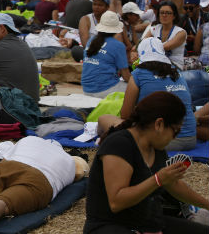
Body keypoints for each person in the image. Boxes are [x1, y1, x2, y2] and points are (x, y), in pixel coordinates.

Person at [84, 92, 209, 234]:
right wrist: (157, 180)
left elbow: (173, 185)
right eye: (175, 131)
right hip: (109, 225)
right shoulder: (119, 144)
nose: (174, 138)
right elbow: (116, 202)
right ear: (159, 124)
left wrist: (206, 204)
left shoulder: (156, 147)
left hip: (147, 223)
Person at [98, 37, 197, 151]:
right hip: (190, 140)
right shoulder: (178, 73)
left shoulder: (138, 74)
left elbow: (125, 115)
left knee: (104, 119)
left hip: (161, 141)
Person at [81, 11, 130, 98]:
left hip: (86, 89)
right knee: (135, 88)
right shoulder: (118, 45)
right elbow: (126, 76)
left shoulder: (91, 40)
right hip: (104, 90)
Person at [144, 0, 186, 70]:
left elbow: (162, 48)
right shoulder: (154, 29)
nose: (164, 15)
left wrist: (146, 48)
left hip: (174, 66)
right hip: (156, 63)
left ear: (174, 16)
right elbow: (142, 44)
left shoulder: (181, 32)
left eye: (168, 13)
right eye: (162, 13)